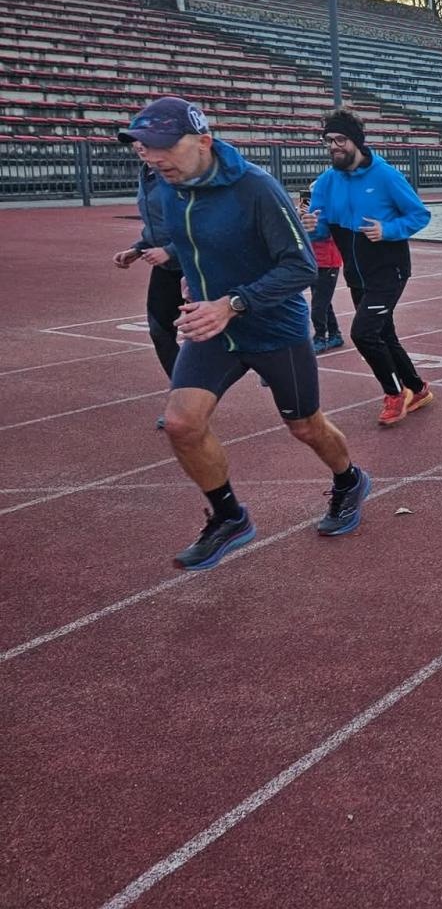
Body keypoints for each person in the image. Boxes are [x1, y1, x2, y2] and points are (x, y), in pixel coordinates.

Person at [116, 97, 371, 570]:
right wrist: (181, 269)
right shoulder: (167, 185)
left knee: (305, 426)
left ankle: (348, 479)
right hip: (212, 327)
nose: (152, 157)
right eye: (145, 147)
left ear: (203, 142)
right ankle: (229, 516)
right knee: (181, 424)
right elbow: (186, 241)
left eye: (162, 146)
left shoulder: (255, 188)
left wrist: (232, 303)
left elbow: (301, 267)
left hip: (272, 326)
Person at [300, 111, 435, 427]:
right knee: (383, 332)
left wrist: (388, 230)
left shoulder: (386, 177)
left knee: (363, 333)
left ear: (356, 141)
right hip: (356, 274)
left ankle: (394, 393)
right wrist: (312, 227)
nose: (334, 146)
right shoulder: (326, 182)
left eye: (340, 140)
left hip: (389, 270)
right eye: (329, 141)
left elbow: (419, 215)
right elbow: (320, 230)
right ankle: (418, 389)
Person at [113, 147, 184, 427]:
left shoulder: (182, 174)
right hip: (167, 267)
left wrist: (170, 250)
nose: (140, 148)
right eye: (135, 144)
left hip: (197, 263)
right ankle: (184, 400)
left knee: (226, 331)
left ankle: (275, 366)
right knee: (160, 330)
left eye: (145, 143)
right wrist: (138, 247)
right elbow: (156, 223)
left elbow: (202, 225)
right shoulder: (147, 173)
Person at [299, 187, 345, 354]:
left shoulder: (331, 213)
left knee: (319, 304)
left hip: (328, 262)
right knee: (323, 301)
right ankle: (334, 334)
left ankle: (320, 337)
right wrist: (301, 217)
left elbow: (322, 234)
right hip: (314, 261)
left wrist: (311, 222)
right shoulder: (311, 213)